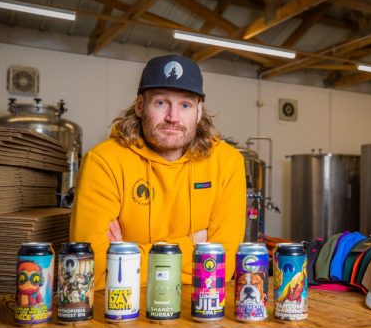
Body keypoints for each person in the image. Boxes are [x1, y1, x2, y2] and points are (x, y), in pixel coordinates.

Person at [70, 54, 246, 290]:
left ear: (199, 111)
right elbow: (92, 271)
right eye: (161, 102)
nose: (173, 117)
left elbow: (222, 270)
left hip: (198, 311)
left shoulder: (227, 162)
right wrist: (194, 243)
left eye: (185, 105)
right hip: (121, 314)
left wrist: (125, 259)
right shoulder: (103, 162)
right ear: (140, 105)